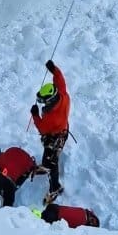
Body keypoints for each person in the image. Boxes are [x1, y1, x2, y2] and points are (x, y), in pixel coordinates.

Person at [31, 59, 71, 204]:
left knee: (50, 161)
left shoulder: (51, 118)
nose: (41, 103)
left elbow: (42, 128)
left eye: (43, 101)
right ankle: (47, 167)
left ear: (50, 100)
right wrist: (53, 69)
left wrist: (35, 115)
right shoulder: (62, 93)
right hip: (63, 129)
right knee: (48, 158)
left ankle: (55, 187)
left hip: (55, 137)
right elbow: (60, 78)